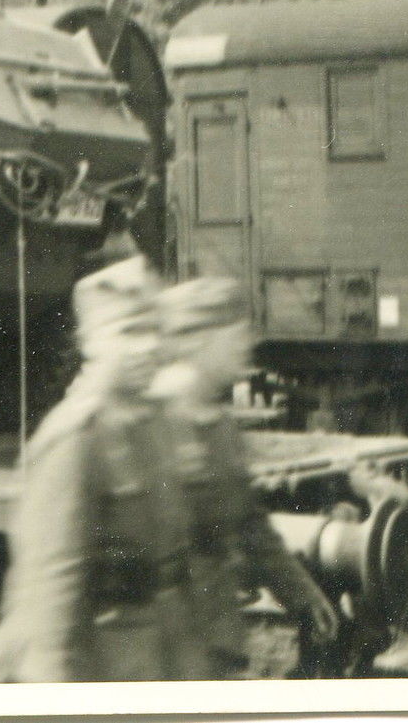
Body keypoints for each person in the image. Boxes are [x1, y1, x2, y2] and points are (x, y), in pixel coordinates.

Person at [0, 255, 208, 683]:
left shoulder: (158, 423)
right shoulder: (76, 439)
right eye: (128, 332)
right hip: (106, 663)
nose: (147, 346)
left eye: (153, 330)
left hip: (169, 653)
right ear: (92, 344)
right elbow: (51, 595)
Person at [151, 277, 340, 677]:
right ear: (198, 338)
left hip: (214, 638)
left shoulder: (221, 426)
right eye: (235, 333)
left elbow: (250, 524)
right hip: (159, 646)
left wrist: (304, 594)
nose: (247, 344)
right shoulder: (148, 421)